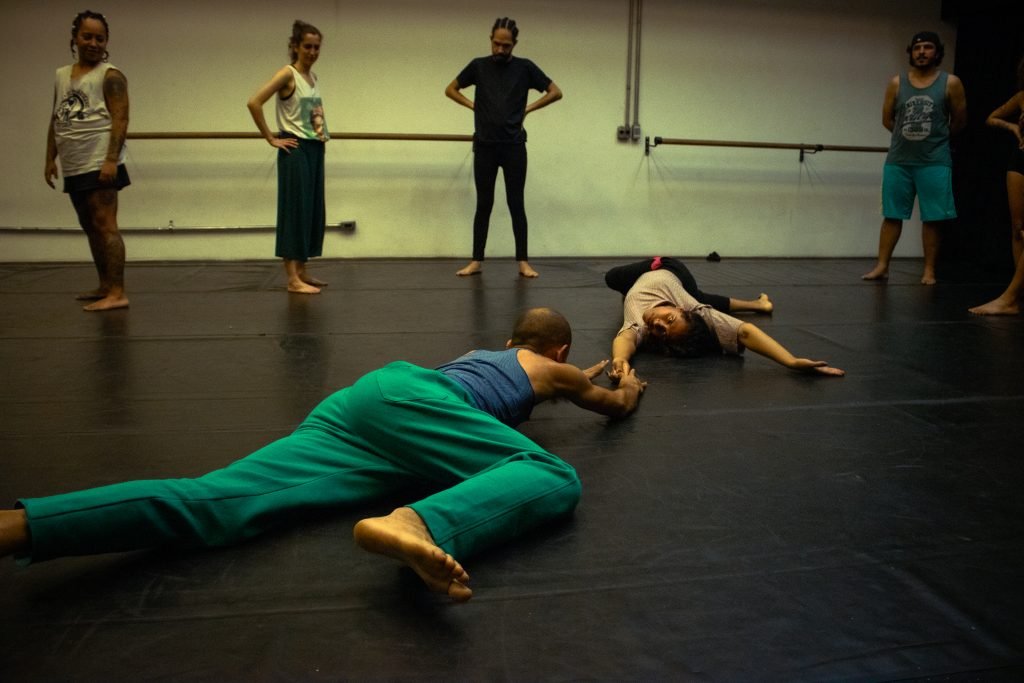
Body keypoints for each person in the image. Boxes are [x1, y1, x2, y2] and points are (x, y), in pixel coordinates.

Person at [0, 308, 645, 603]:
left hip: (364, 409)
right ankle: (416, 523)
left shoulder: (493, 356)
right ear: (561, 353)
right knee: (551, 474)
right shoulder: (555, 369)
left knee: (216, 502)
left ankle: (21, 526)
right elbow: (610, 405)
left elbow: (514, 387)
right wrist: (629, 383)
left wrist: (565, 384)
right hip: (419, 409)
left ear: (510, 340)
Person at [445, 17, 563, 278]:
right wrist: (473, 105)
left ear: (514, 44)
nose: (500, 49)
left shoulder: (525, 68)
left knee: (516, 203)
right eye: (496, 44)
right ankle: (476, 260)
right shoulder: (478, 66)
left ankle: (523, 261)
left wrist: (527, 109)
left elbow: (555, 92)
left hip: (514, 147)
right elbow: (450, 89)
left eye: (506, 46)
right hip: (485, 146)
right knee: (484, 204)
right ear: (490, 40)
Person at [605, 257, 845, 379]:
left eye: (663, 331)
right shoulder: (694, 308)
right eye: (670, 319)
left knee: (614, 279)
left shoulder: (640, 325)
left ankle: (760, 305)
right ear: (680, 309)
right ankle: (758, 305)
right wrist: (791, 361)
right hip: (665, 267)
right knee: (612, 277)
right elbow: (745, 332)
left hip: (644, 285)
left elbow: (625, 339)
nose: (658, 322)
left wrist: (620, 360)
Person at [862, 31, 967, 285]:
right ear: (911, 52)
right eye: (918, 48)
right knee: (892, 214)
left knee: (933, 217)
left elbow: (959, 121)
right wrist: (908, 137)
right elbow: (887, 119)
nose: (922, 52)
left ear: (937, 52)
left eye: (928, 47)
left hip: (935, 161)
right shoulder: (897, 83)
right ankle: (882, 266)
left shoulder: (950, 83)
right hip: (899, 161)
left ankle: (929, 270)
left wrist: (934, 140)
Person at [45, 10, 130, 312]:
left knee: (105, 225)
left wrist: (110, 160)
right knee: (89, 226)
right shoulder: (61, 75)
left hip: (99, 161)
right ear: (75, 38)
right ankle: (105, 284)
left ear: (106, 42)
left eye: (100, 38)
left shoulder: (111, 76)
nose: (94, 43)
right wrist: (49, 158)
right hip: (74, 162)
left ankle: (117, 292)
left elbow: (121, 119)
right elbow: (57, 117)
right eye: (87, 36)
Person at [248, 20, 330, 294]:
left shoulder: (313, 78)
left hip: (315, 148)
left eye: (316, 47)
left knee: (311, 211)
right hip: (295, 150)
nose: (312, 52)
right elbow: (254, 102)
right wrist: (271, 138)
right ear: (295, 46)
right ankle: (292, 278)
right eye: (307, 46)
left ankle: (303, 270)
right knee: (295, 211)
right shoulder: (287, 74)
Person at [969, 57, 1024, 315]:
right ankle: (1018, 292)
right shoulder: (1022, 96)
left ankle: (1010, 297)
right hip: (1020, 160)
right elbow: (991, 118)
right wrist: (1013, 127)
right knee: (1019, 228)